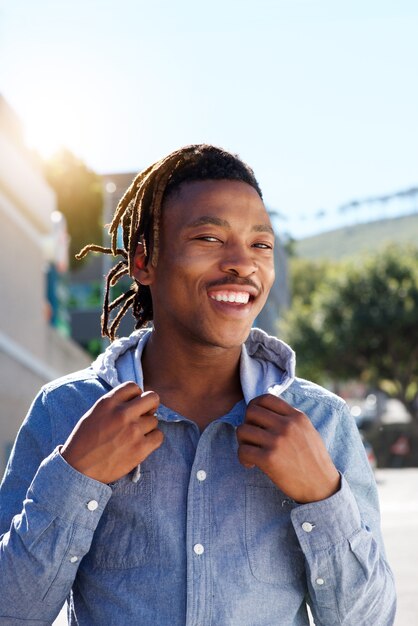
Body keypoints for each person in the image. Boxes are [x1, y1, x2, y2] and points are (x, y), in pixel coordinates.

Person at [0, 144, 396, 625]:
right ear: (144, 262)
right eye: (209, 238)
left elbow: (370, 619)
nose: (242, 263)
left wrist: (322, 498)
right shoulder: (65, 412)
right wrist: (75, 477)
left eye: (261, 244)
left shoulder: (323, 421)